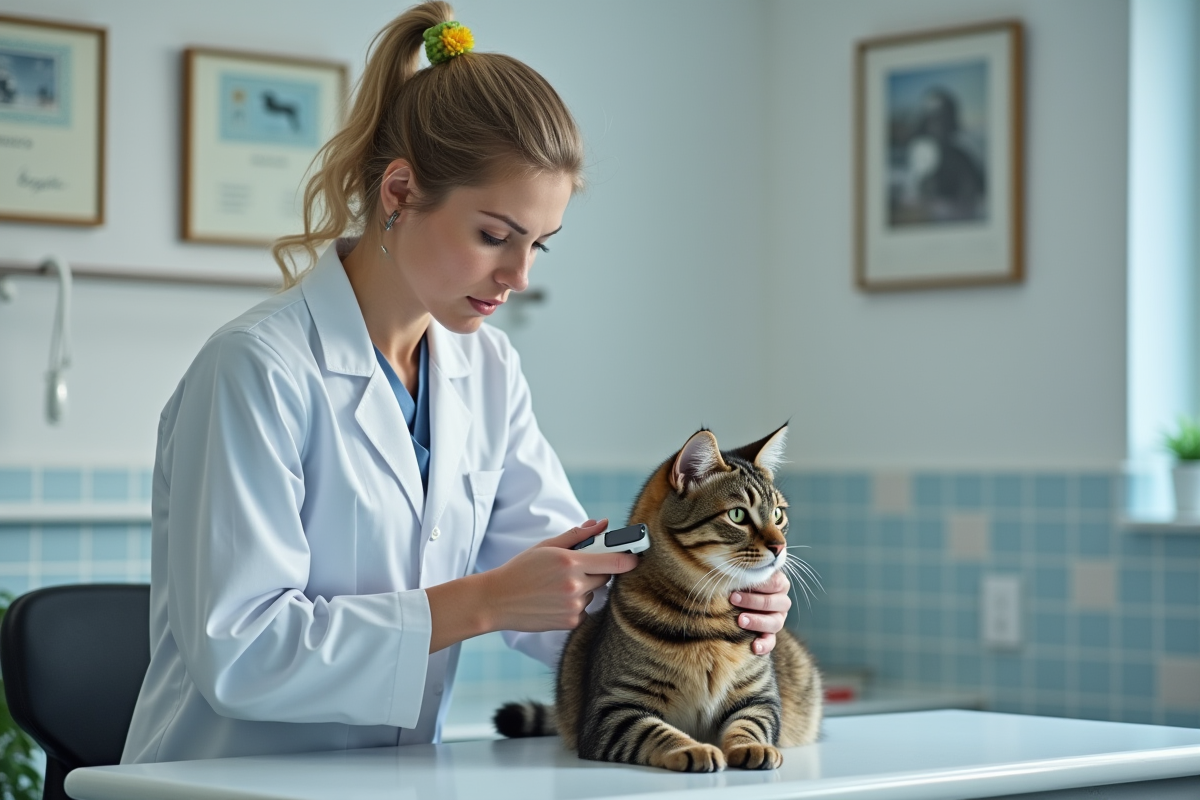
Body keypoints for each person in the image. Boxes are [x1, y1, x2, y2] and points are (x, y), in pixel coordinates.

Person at [121, 1, 792, 764]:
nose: (518, 276)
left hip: (397, 777)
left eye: (541, 245)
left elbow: (567, 589)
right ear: (399, 193)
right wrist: (483, 601)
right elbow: (240, 653)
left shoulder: (486, 369)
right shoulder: (256, 369)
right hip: (221, 779)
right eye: (494, 236)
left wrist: (716, 596)